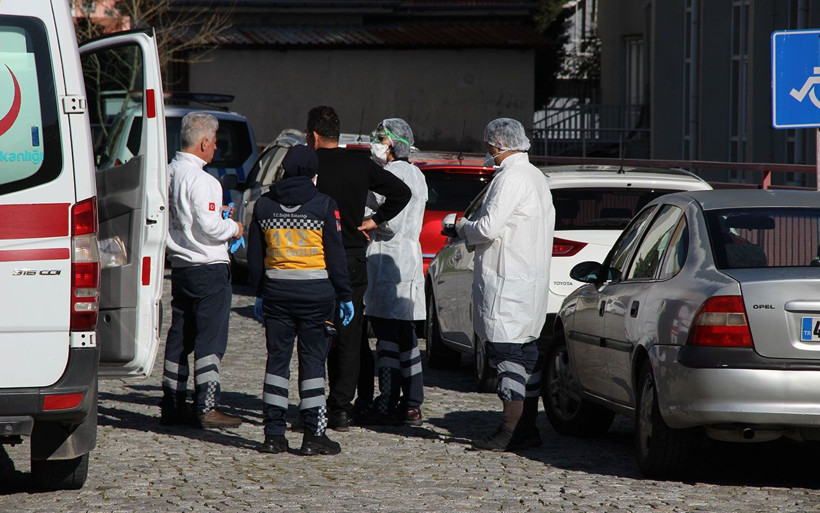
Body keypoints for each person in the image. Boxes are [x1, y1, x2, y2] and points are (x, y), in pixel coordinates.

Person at [306, 106, 412, 431]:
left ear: (312, 135)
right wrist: (374, 220)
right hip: (352, 256)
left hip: (315, 258)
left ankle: (312, 405)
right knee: (350, 337)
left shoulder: (309, 164)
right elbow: (401, 192)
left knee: (316, 335)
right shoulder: (359, 162)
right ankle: (340, 408)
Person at [455, 118, 555, 451]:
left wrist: (461, 228)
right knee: (526, 354)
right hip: (528, 281)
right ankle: (527, 429)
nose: (488, 151)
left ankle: (510, 429)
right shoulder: (536, 176)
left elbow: (487, 228)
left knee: (507, 354)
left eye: (489, 146)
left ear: (498, 145)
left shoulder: (510, 178)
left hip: (508, 281)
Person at [247, 144, 354, 456]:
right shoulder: (323, 205)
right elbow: (335, 256)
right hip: (316, 297)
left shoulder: (264, 205)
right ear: (312, 174)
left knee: (276, 363)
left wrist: (259, 292)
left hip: (277, 296)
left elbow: (256, 257)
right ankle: (313, 435)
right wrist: (344, 295)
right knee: (313, 364)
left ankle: (273, 434)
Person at [160, 112, 244, 429]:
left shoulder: (166, 173)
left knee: (180, 335)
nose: (216, 147)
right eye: (215, 141)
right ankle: (207, 406)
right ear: (205, 142)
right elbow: (210, 227)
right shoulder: (204, 180)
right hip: (209, 266)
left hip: (181, 266)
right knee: (210, 339)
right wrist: (234, 227)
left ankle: (171, 403)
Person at [359, 119, 428, 426]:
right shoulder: (418, 174)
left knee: (387, 334)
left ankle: (387, 400)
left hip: (389, 256)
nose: (376, 140)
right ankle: (412, 402)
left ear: (391, 142)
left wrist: (369, 218)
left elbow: (390, 221)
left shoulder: (392, 174)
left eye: (380, 136)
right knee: (407, 335)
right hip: (409, 258)